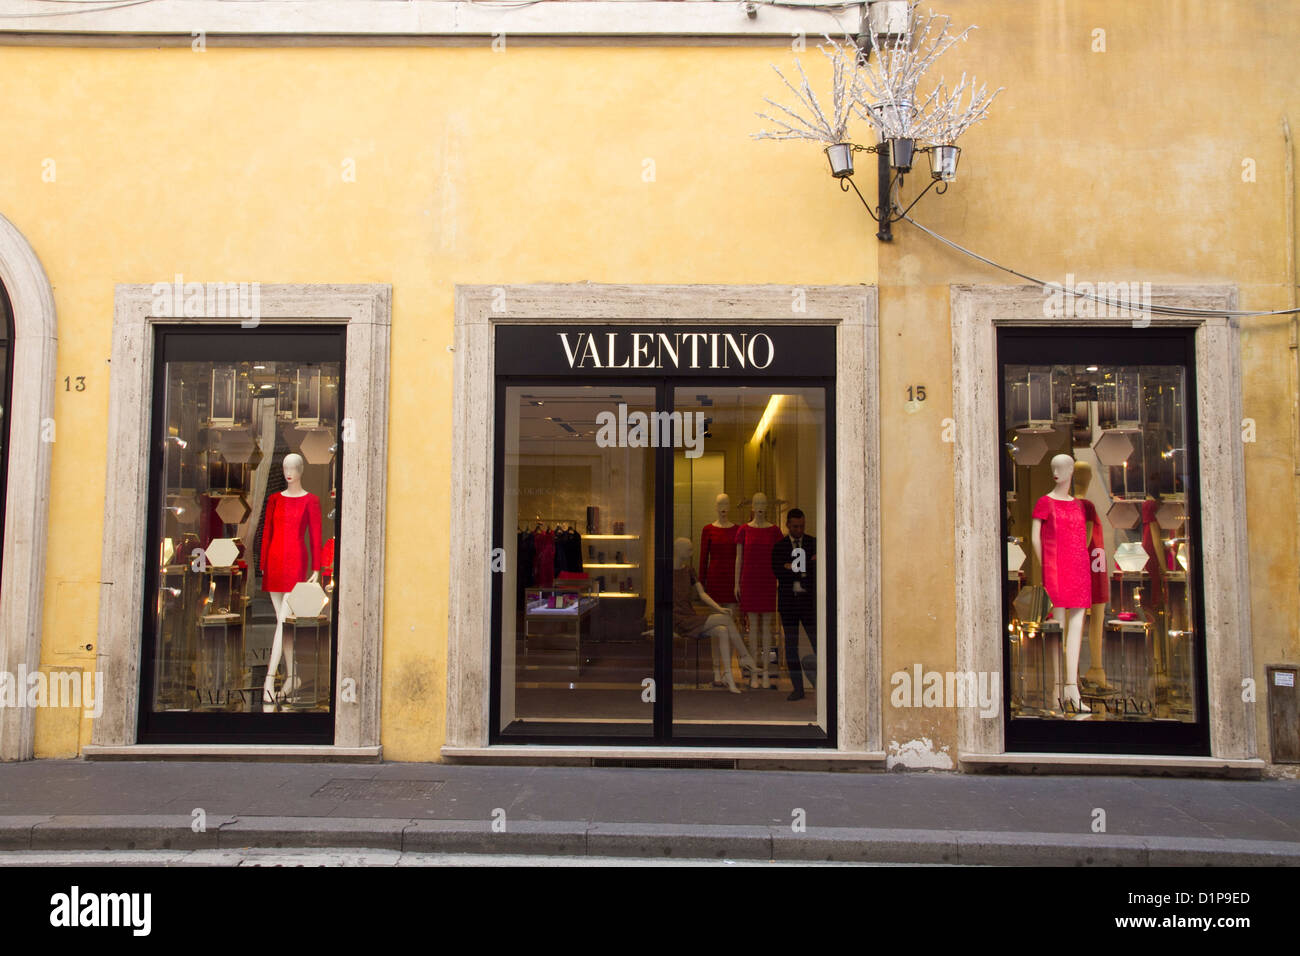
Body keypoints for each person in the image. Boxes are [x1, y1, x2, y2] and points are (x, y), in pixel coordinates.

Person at [771, 509, 816, 701]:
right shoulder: (779, 547)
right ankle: (798, 688)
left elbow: (815, 572)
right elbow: (778, 572)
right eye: (796, 526)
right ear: (788, 525)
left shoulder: (812, 543)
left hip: (808, 603)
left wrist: (792, 566)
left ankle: (822, 683)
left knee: (817, 643)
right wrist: (804, 565)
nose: (799, 529)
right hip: (788, 603)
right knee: (791, 646)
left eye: (802, 526)